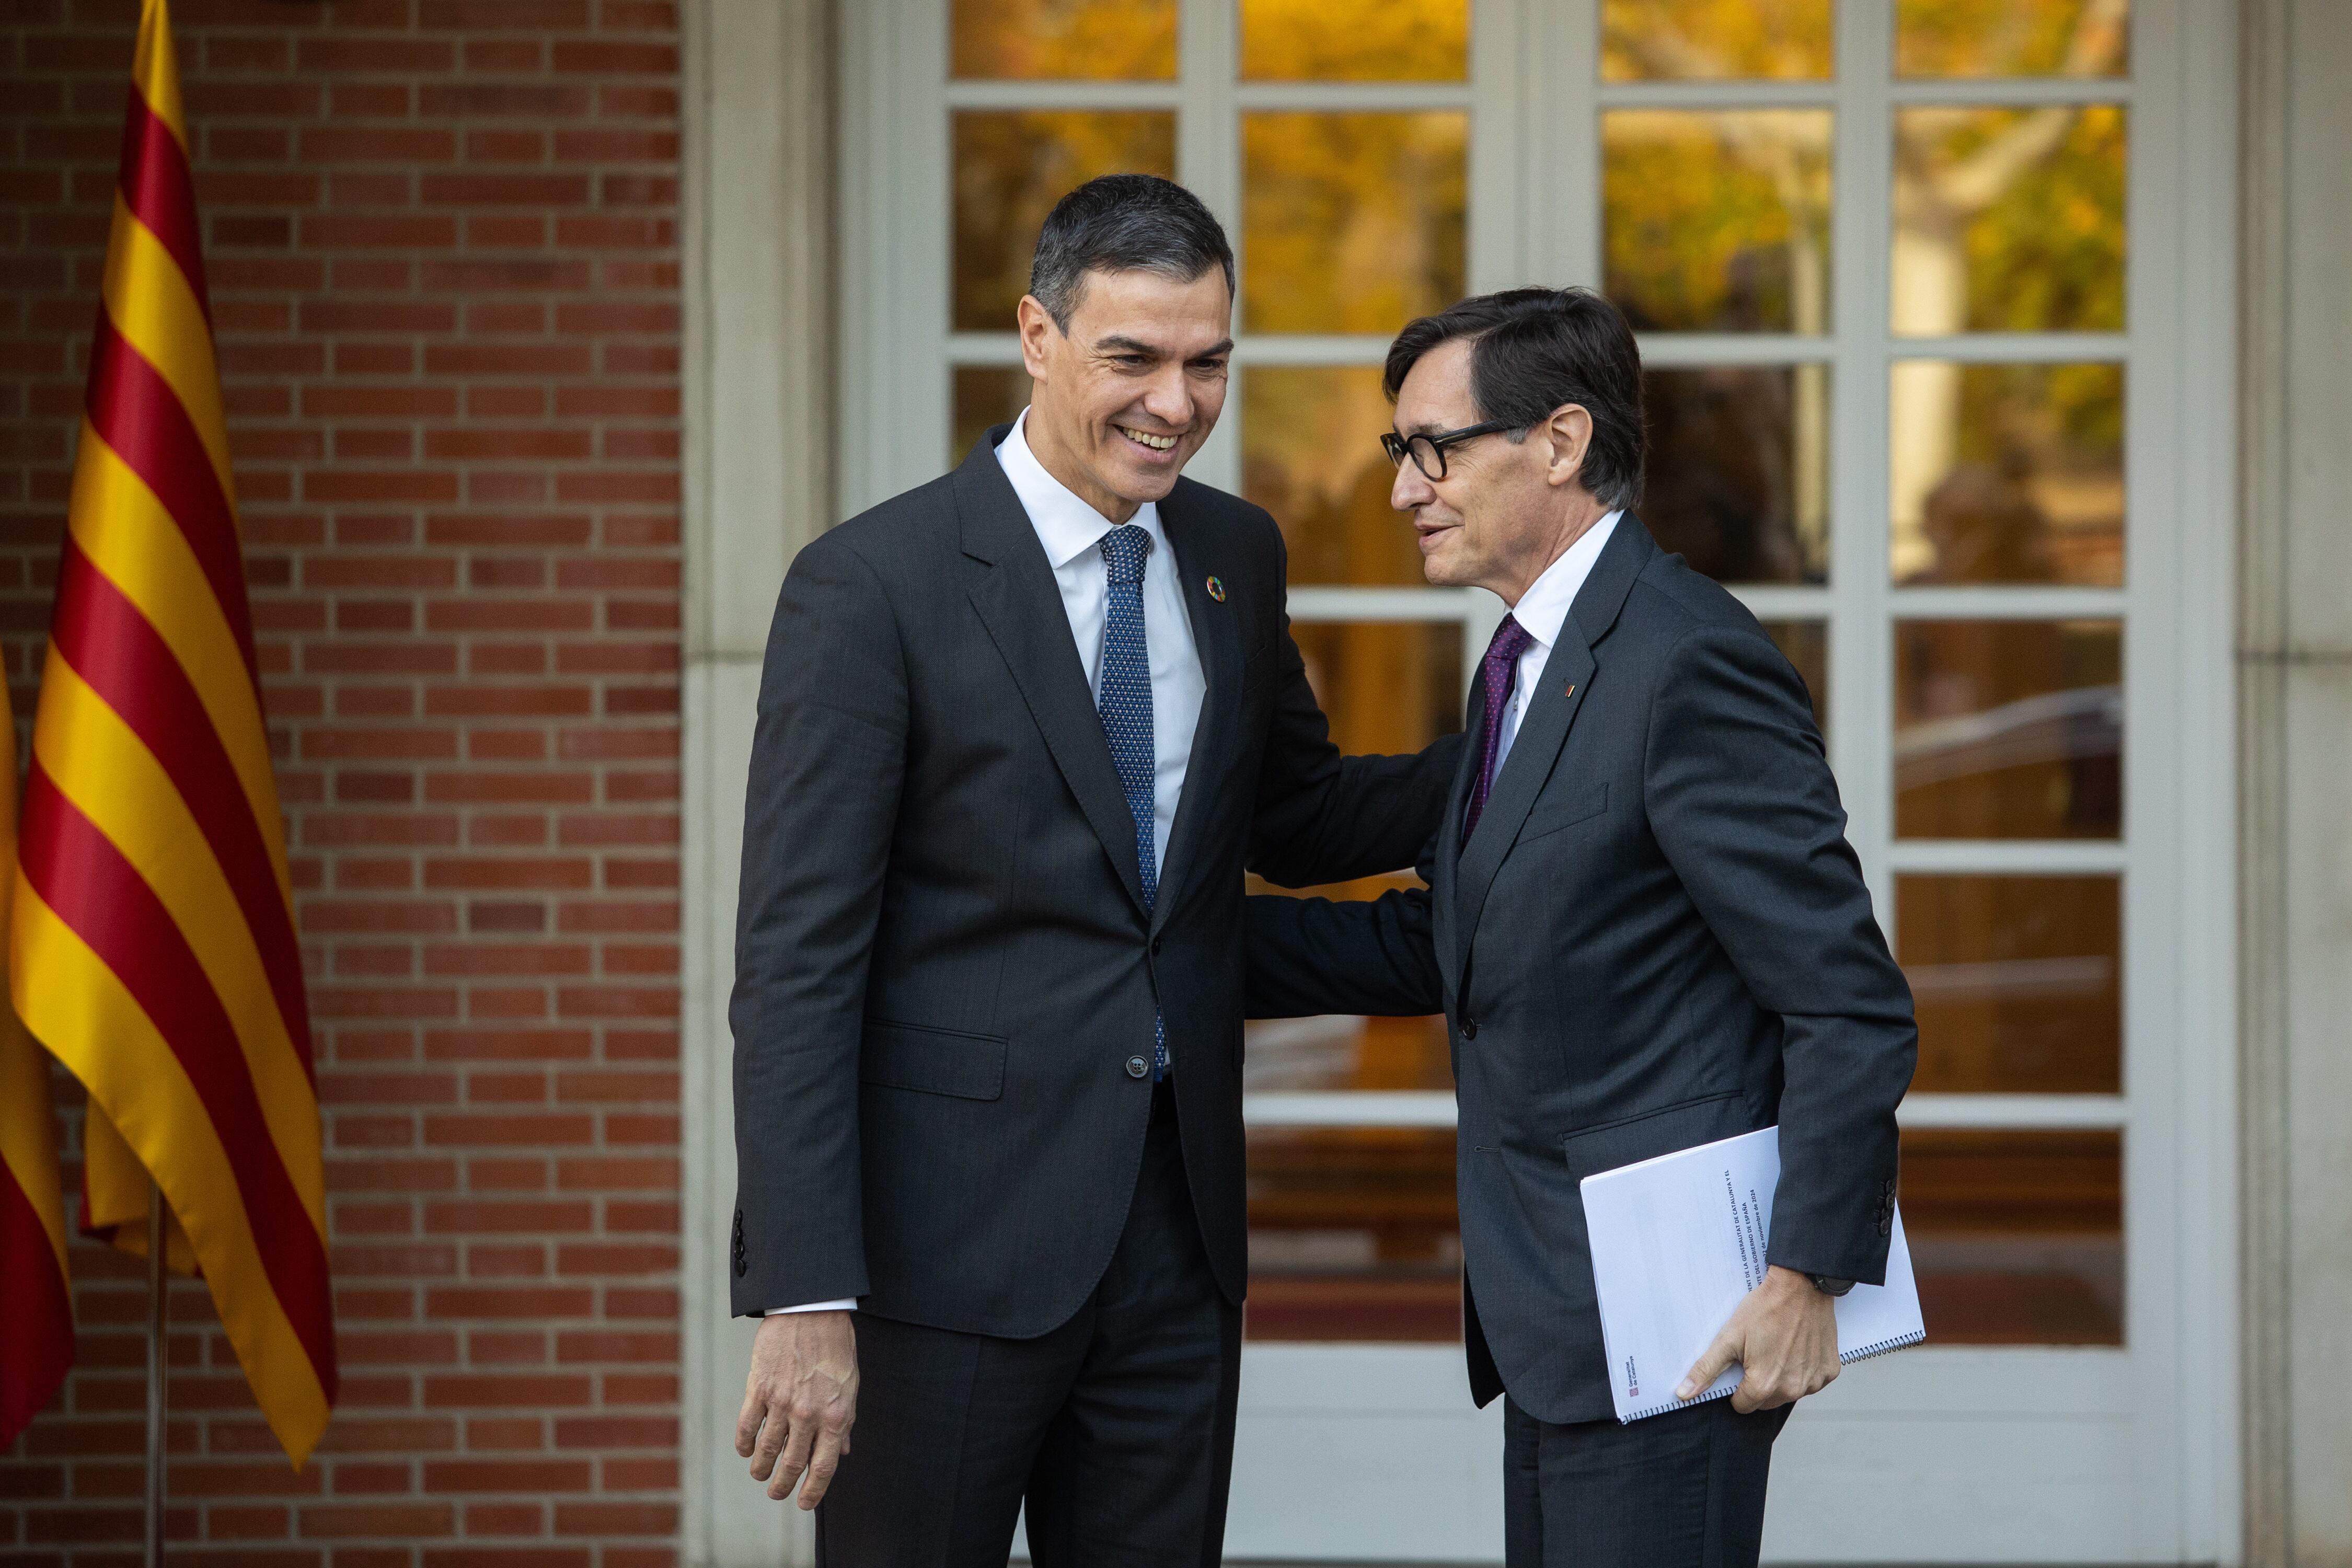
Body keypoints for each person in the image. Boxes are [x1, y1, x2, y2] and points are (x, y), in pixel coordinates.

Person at [727, 174, 1462, 1565]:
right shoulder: (870, 587)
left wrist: (1520, 748)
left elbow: (1292, 815)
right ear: (1037, 336)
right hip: (936, 1264)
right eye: (1132, 358)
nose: (1175, 404)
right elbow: (796, 970)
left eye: (1207, 363)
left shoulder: (1231, 553)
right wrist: (805, 1293)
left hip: (1175, 1256)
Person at [1243, 286, 1918, 1568]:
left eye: (1433, 448)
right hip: (1560, 1313)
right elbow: (1455, 942)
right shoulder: (1525, 665)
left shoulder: (1686, 661)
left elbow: (1847, 998)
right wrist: (1159, 958)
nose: (1404, 489)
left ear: (1558, 444)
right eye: (1401, 452)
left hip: (1684, 1314)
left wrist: (1807, 1276)